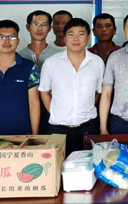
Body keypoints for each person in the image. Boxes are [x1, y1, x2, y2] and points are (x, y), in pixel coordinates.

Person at [40, 18, 104, 155]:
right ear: (64, 38)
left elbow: (99, 92)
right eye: (71, 34)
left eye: (81, 34)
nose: (76, 39)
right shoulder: (51, 63)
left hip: (88, 128)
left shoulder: (97, 62)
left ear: (88, 37)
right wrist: (54, 112)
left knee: (87, 166)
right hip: (58, 129)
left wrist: (86, 108)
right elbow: (44, 92)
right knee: (58, 166)